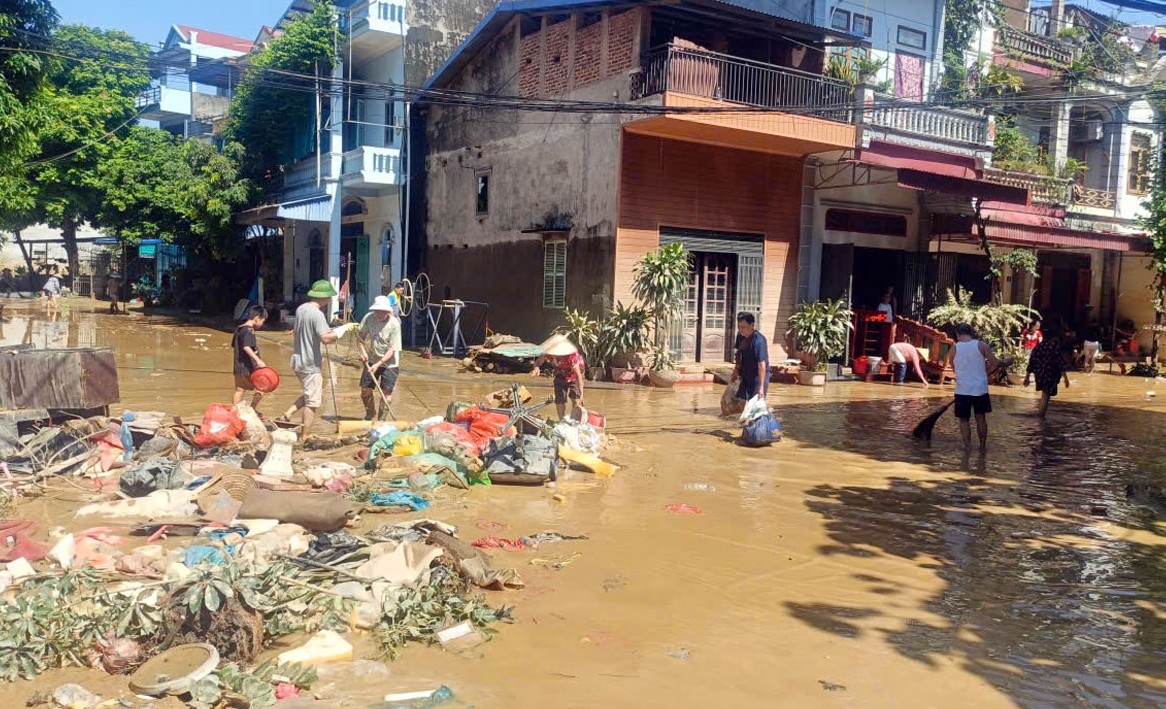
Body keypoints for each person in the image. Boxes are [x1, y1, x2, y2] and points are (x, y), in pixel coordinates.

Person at [280, 280, 352, 433]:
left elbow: (315, 332)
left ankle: (288, 413)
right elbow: (325, 338)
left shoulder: (301, 309)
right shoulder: (317, 314)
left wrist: (334, 330)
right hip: (309, 363)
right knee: (312, 402)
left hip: (297, 361)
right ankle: (304, 436)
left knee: (310, 393)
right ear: (324, 297)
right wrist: (342, 330)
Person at [944, 323, 1002, 451]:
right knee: (980, 418)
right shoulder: (981, 345)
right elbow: (995, 363)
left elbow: (954, 368)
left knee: (964, 420)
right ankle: (982, 447)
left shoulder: (954, 349)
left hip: (962, 390)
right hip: (980, 390)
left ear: (958, 335)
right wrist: (1005, 362)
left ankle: (967, 447)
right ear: (971, 333)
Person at [358, 295, 401, 420]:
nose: (379, 314)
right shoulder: (369, 318)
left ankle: (381, 421)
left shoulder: (394, 324)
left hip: (390, 363)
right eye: (377, 311)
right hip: (371, 359)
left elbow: (392, 350)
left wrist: (378, 365)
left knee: (386, 393)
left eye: (382, 311)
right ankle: (370, 413)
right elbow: (360, 338)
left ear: (388, 311)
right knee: (365, 390)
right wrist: (362, 352)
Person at [531, 333, 585, 421]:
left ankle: (575, 422)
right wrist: (536, 368)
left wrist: (581, 394)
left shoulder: (571, 356)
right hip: (560, 373)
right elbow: (538, 362)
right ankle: (561, 421)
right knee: (560, 399)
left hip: (574, 375)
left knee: (576, 398)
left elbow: (578, 375)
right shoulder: (548, 353)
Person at [1025, 326, 1070, 417]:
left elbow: (1031, 362)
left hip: (1040, 375)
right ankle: (1041, 415)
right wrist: (1066, 378)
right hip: (1050, 375)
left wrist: (1027, 377)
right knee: (1046, 394)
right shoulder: (1053, 348)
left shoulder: (1038, 347)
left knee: (1045, 393)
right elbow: (1060, 363)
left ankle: (1041, 413)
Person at [232, 306, 268, 410]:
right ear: (257, 318)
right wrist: (258, 360)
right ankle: (252, 409)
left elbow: (235, 346)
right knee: (262, 388)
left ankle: (234, 414)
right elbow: (246, 347)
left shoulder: (239, 329)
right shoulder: (249, 330)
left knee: (239, 390)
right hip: (248, 367)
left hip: (238, 365)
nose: (262, 324)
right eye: (262, 321)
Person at [732, 311, 769, 401]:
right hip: (745, 373)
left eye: (744, 327)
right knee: (740, 400)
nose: (741, 330)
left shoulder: (759, 340)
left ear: (752, 325)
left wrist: (761, 387)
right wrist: (736, 371)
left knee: (755, 403)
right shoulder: (740, 336)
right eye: (739, 327)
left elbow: (761, 364)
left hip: (758, 376)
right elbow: (738, 354)